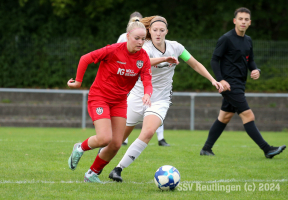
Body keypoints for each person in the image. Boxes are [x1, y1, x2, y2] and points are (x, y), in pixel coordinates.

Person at [108, 16, 224, 182]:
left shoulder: (175, 47)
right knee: (117, 140)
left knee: (148, 132)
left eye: (162, 30)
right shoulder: (144, 47)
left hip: (160, 100)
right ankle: (99, 163)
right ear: (150, 31)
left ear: (167, 32)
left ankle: (118, 169)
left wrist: (213, 80)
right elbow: (144, 62)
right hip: (138, 96)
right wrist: (164, 59)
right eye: (155, 30)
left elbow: (195, 64)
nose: (158, 33)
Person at [67, 17, 154, 183]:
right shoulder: (113, 50)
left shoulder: (143, 58)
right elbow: (85, 58)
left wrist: (147, 93)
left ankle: (91, 173)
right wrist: (78, 82)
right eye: (137, 38)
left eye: (143, 39)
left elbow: (147, 81)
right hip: (99, 97)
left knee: (115, 143)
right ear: (128, 36)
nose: (140, 42)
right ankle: (80, 148)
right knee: (104, 138)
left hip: (120, 102)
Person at [200, 7, 286, 158]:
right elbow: (214, 60)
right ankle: (267, 149)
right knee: (248, 115)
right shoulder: (226, 38)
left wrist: (256, 70)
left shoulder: (248, 40)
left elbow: (250, 60)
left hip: (240, 84)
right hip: (230, 85)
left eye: (246, 19)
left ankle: (206, 149)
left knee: (225, 117)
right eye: (240, 19)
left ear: (250, 22)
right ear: (235, 21)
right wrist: (221, 80)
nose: (243, 22)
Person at [117, 11, 170, 147]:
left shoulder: (147, 40)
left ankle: (161, 138)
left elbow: (144, 60)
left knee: (154, 110)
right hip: (127, 78)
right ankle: (121, 139)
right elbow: (117, 56)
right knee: (127, 113)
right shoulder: (123, 37)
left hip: (141, 78)